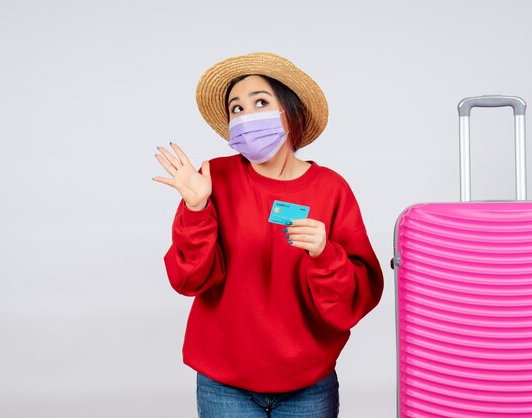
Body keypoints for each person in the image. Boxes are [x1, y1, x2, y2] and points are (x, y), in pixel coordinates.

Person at [153, 52, 384, 418]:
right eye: (237, 109)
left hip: (308, 385)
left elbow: (356, 300)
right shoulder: (213, 179)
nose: (246, 117)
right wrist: (197, 209)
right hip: (224, 385)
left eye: (260, 102)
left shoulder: (331, 189)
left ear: (291, 113)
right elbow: (187, 279)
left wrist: (325, 255)